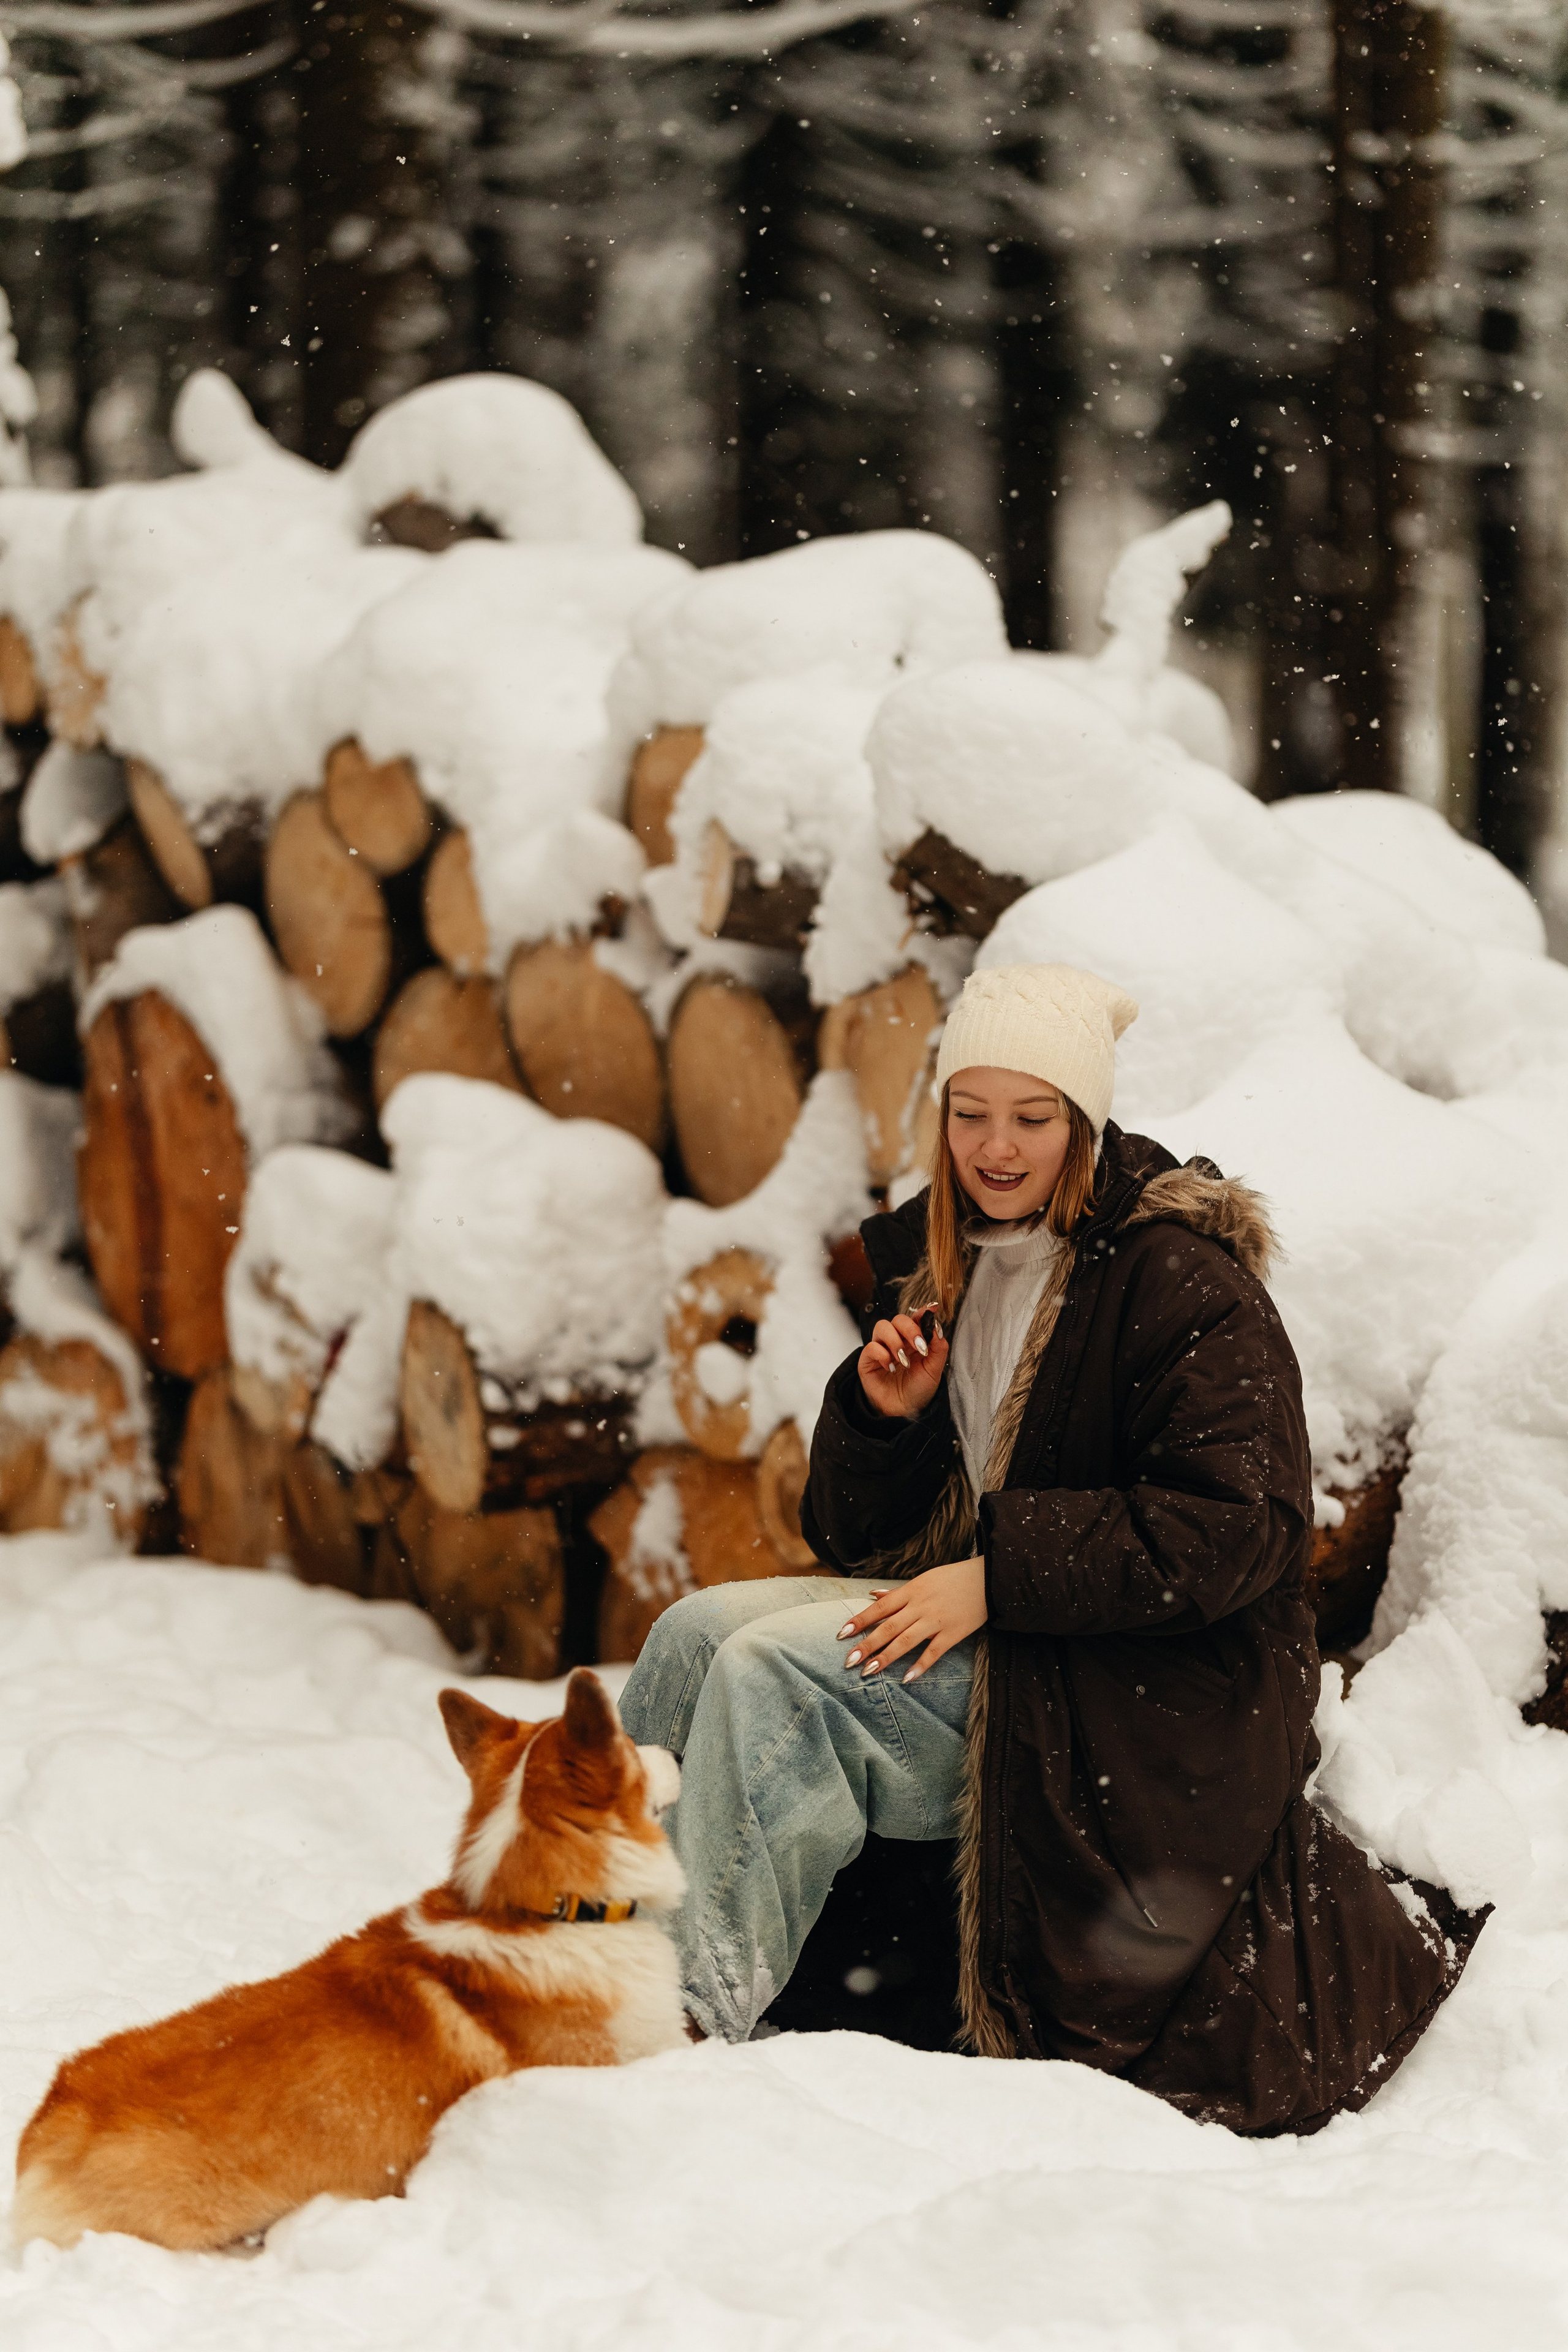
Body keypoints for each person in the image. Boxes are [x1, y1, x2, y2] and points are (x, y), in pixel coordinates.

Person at [619, 962, 1466, 2132]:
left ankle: (673, 2029)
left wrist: (999, 1574)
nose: (997, 1149)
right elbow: (853, 1533)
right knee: (695, 1632)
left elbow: (1243, 1528)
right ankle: (582, 1946)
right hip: (1016, 1625)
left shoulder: (1181, 1281)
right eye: (971, 1114)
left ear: (1086, 1121)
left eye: (1034, 1118)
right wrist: (886, 1419)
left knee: (786, 1686)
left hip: (1147, 1683)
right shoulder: (947, 1260)